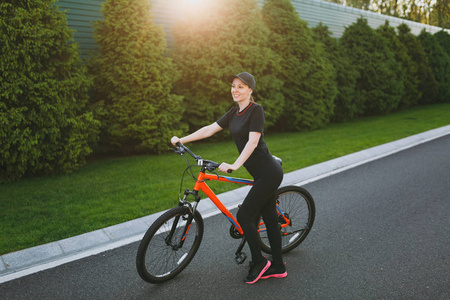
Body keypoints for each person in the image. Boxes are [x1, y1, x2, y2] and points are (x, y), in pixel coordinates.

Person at [171, 72, 286, 284]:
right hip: (260, 174)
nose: (235, 89)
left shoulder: (256, 110)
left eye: (241, 86)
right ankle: (278, 266)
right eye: (233, 86)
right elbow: (209, 130)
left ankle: (260, 263)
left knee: (244, 217)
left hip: (269, 173)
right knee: (269, 217)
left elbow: (252, 142)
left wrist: (235, 165)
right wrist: (182, 140)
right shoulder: (234, 112)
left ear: (250, 90)